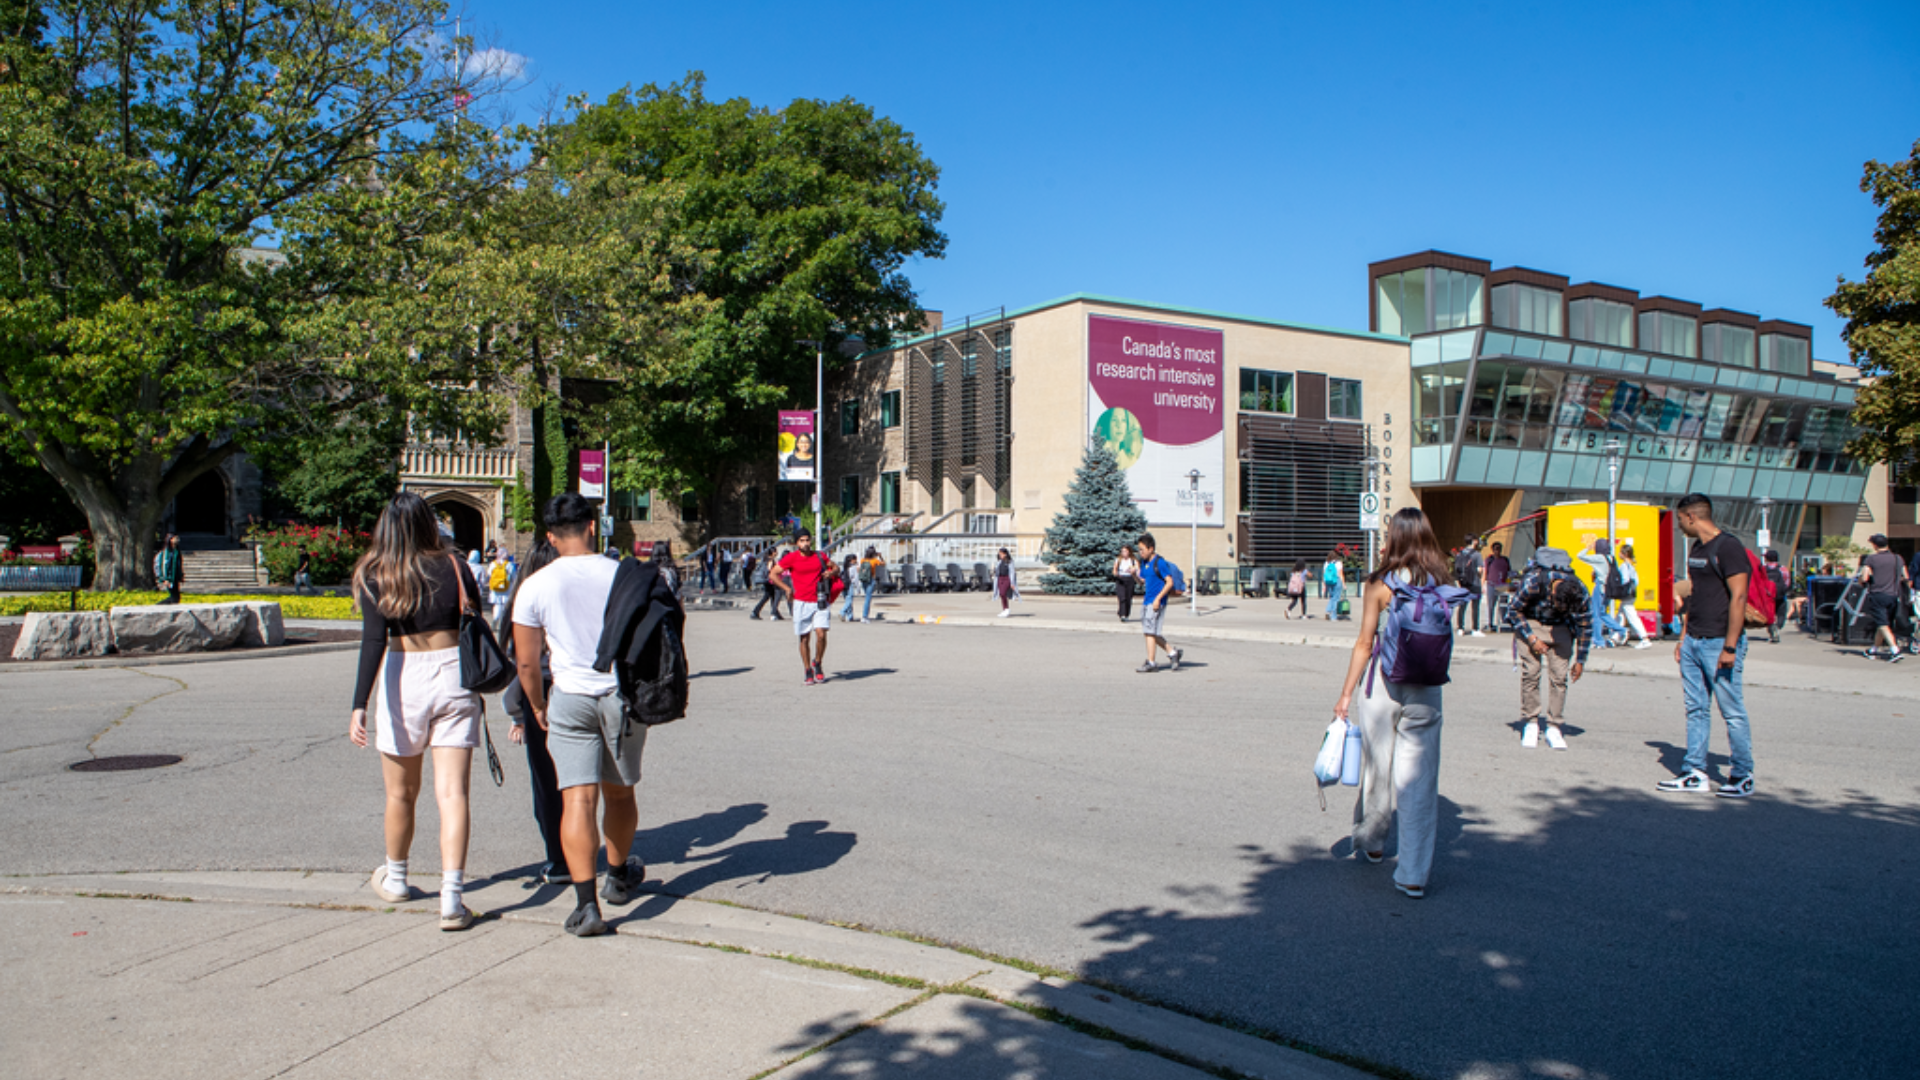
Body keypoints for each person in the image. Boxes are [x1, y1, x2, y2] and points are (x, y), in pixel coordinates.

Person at [347, 492, 483, 931]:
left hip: (402, 672)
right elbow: (475, 619)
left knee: (401, 793)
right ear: (429, 524)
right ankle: (451, 896)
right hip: (454, 673)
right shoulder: (456, 566)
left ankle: (398, 877)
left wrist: (358, 704)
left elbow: (372, 641)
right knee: (453, 794)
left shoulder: (376, 572)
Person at [510, 494, 643, 937]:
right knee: (620, 794)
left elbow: (527, 663)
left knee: (577, 800)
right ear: (592, 526)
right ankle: (619, 876)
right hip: (618, 694)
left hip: (569, 695)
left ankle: (586, 906)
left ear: (550, 536)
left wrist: (536, 704)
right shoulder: (623, 574)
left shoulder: (535, 585)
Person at [1332, 508, 1459, 900]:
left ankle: (1372, 841)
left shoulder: (1379, 583)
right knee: (1420, 780)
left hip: (1382, 684)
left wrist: (1346, 693)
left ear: (1395, 537)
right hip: (1427, 686)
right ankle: (1413, 874)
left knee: (1378, 767)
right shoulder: (1442, 580)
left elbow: (1365, 643)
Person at [1658, 493, 1757, 798]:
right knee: (1696, 709)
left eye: (1679, 520)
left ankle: (1742, 774)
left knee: (1732, 710)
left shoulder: (1729, 547)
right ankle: (1695, 772)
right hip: (1694, 641)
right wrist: (1683, 638)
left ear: (1691, 516)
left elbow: (1739, 597)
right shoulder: (1698, 549)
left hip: (1719, 643)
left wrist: (1730, 646)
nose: (1679, 527)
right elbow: (1696, 596)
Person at [499, 543, 567, 884]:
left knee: (544, 780)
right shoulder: (568, 595)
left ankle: (558, 857)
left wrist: (522, 711)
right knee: (577, 778)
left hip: (535, 690)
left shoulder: (522, 600)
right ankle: (578, 849)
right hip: (571, 687)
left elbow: (520, 663)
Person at [1504, 548, 1592, 750]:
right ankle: (1531, 722)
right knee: (1531, 673)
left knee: (1559, 677)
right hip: (1532, 622)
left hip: (1561, 628)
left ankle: (1554, 725)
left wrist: (1580, 660)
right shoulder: (1534, 582)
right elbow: (1513, 611)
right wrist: (1532, 638)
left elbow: (1586, 624)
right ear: (1552, 593)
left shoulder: (1579, 591)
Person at [773, 529, 837, 684]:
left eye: (807, 540)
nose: (805, 543)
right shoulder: (791, 558)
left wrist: (831, 573)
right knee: (804, 638)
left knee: (821, 634)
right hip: (801, 602)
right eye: (802, 540)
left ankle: (818, 662)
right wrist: (787, 589)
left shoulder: (819, 556)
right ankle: (808, 669)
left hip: (820, 600)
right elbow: (773, 574)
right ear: (797, 543)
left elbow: (835, 567)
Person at [1857, 533, 1910, 662]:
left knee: (1882, 623)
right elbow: (1906, 577)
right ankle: (1873, 650)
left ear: (1875, 545)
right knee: (1883, 624)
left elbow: (1864, 577)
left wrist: (1861, 580)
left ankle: (1894, 651)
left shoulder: (1871, 559)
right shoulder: (1898, 558)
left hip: (1878, 594)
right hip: (1894, 595)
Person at [1135, 533, 1183, 672]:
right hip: (1147, 601)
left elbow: (1169, 582)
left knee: (1150, 632)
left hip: (1156, 602)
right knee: (1151, 632)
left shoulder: (1159, 562)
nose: (1140, 552)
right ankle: (1173, 653)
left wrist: (1158, 599)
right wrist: (1134, 575)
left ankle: (1151, 663)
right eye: (1139, 549)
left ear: (1151, 548)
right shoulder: (1145, 563)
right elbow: (1142, 581)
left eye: (1142, 549)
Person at [1613, 543, 1653, 648]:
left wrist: (1619, 586)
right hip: (1632, 594)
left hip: (1626, 594)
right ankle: (1615, 636)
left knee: (1632, 616)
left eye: (1620, 552)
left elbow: (1625, 580)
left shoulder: (1624, 566)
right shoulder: (1632, 565)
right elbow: (1636, 581)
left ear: (1624, 554)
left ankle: (1644, 638)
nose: (1618, 554)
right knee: (1620, 615)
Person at [1453, 538, 1484, 636]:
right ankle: (1475, 629)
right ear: (1474, 541)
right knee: (1475, 606)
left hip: (1463, 583)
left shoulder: (1460, 554)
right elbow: (1480, 570)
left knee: (1462, 605)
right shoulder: (1477, 554)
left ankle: (1460, 628)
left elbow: (1456, 569)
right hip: (1474, 583)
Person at [751, 543, 786, 621]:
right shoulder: (770, 560)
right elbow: (769, 570)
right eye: (775, 551)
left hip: (767, 581)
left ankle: (775, 613)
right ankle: (755, 612)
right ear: (772, 553)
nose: (777, 553)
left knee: (772, 597)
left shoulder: (765, 559)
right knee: (767, 597)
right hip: (769, 581)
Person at [1762, 550, 1791, 644]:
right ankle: (1777, 628)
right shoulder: (1782, 569)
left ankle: (1772, 630)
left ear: (1767, 558)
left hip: (1768, 596)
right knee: (1781, 614)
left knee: (1769, 615)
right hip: (1780, 595)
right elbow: (1787, 582)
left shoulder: (1763, 569)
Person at [1483, 541, 1512, 627]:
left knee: (1503, 604)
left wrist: (1508, 583)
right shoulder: (1489, 560)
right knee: (1491, 604)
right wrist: (1483, 584)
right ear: (1493, 550)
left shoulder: (1505, 560)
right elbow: (1485, 573)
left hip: (1502, 585)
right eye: (1496, 549)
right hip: (1491, 584)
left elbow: (1509, 572)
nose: (1497, 551)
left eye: (1499, 549)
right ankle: (1490, 623)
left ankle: (1503, 621)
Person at [1112, 545, 1139, 622]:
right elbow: (1114, 570)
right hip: (1121, 579)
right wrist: (1116, 574)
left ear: (1129, 552)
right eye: (1122, 551)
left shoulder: (1133, 560)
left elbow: (1138, 569)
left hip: (1130, 579)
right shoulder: (1118, 560)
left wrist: (1134, 571)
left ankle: (1126, 613)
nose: (1124, 553)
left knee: (1128, 598)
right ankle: (1122, 615)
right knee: (1122, 597)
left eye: (1125, 551)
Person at [486, 551, 513, 627]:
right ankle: (503, 622)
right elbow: (514, 577)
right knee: (505, 606)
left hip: (495, 589)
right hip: (506, 589)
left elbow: (489, 575)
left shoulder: (493, 564)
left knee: (497, 605)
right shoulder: (509, 565)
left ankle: (495, 618)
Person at [154, 534, 183, 604]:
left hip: (175, 577)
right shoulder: (165, 553)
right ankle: (159, 605)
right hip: (169, 577)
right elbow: (162, 566)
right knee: (174, 597)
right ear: (170, 540)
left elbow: (178, 565)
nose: (177, 539)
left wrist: (180, 575)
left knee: (176, 597)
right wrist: (164, 578)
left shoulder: (176, 552)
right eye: (175, 538)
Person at [858, 546, 885, 622]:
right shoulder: (875, 560)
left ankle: (864, 615)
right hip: (871, 579)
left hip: (863, 580)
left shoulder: (862, 560)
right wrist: (880, 556)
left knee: (866, 597)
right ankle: (865, 616)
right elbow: (883, 564)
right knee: (868, 598)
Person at [839, 553, 862, 621]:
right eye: (855, 559)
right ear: (852, 560)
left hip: (843, 585)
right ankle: (842, 612)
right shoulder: (853, 568)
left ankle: (850, 616)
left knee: (847, 600)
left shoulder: (844, 567)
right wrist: (858, 589)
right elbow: (856, 579)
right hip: (850, 584)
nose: (856, 561)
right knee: (849, 600)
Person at [1323, 551, 1346, 620]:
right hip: (1337, 580)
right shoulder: (1338, 563)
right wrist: (1344, 584)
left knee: (1332, 596)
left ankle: (1328, 610)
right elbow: (1341, 574)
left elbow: (1324, 574)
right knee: (1336, 598)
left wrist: (1324, 584)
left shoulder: (1326, 563)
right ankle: (1333, 616)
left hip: (1328, 582)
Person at [994, 547, 1016, 617]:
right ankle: (1005, 609)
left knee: (1003, 593)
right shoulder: (999, 561)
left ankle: (1006, 609)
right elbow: (997, 570)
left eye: (1001, 554)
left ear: (1005, 554)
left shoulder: (1009, 561)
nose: (1000, 555)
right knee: (1001, 594)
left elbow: (1012, 572)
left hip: (1007, 578)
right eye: (999, 554)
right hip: (1000, 578)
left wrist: (1012, 583)